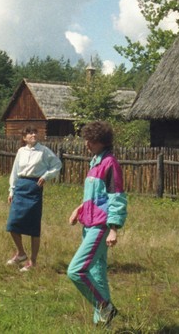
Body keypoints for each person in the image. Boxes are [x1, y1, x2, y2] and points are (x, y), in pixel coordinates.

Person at [67, 121, 127, 328]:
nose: (86, 143)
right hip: (89, 224)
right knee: (96, 273)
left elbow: (116, 198)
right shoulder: (95, 162)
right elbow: (95, 197)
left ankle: (105, 307)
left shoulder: (110, 164)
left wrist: (113, 229)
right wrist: (79, 209)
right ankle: (103, 325)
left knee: (76, 271)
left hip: (101, 227)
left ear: (101, 141)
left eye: (90, 140)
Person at [5, 126, 62, 272]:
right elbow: (15, 171)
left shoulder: (43, 151)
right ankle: (21, 253)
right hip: (20, 187)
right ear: (24, 137)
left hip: (34, 187)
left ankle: (33, 261)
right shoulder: (21, 151)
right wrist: (12, 190)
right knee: (13, 223)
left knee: (33, 226)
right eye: (30, 133)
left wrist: (45, 176)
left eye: (35, 132)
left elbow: (57, 165)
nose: (33, 134)